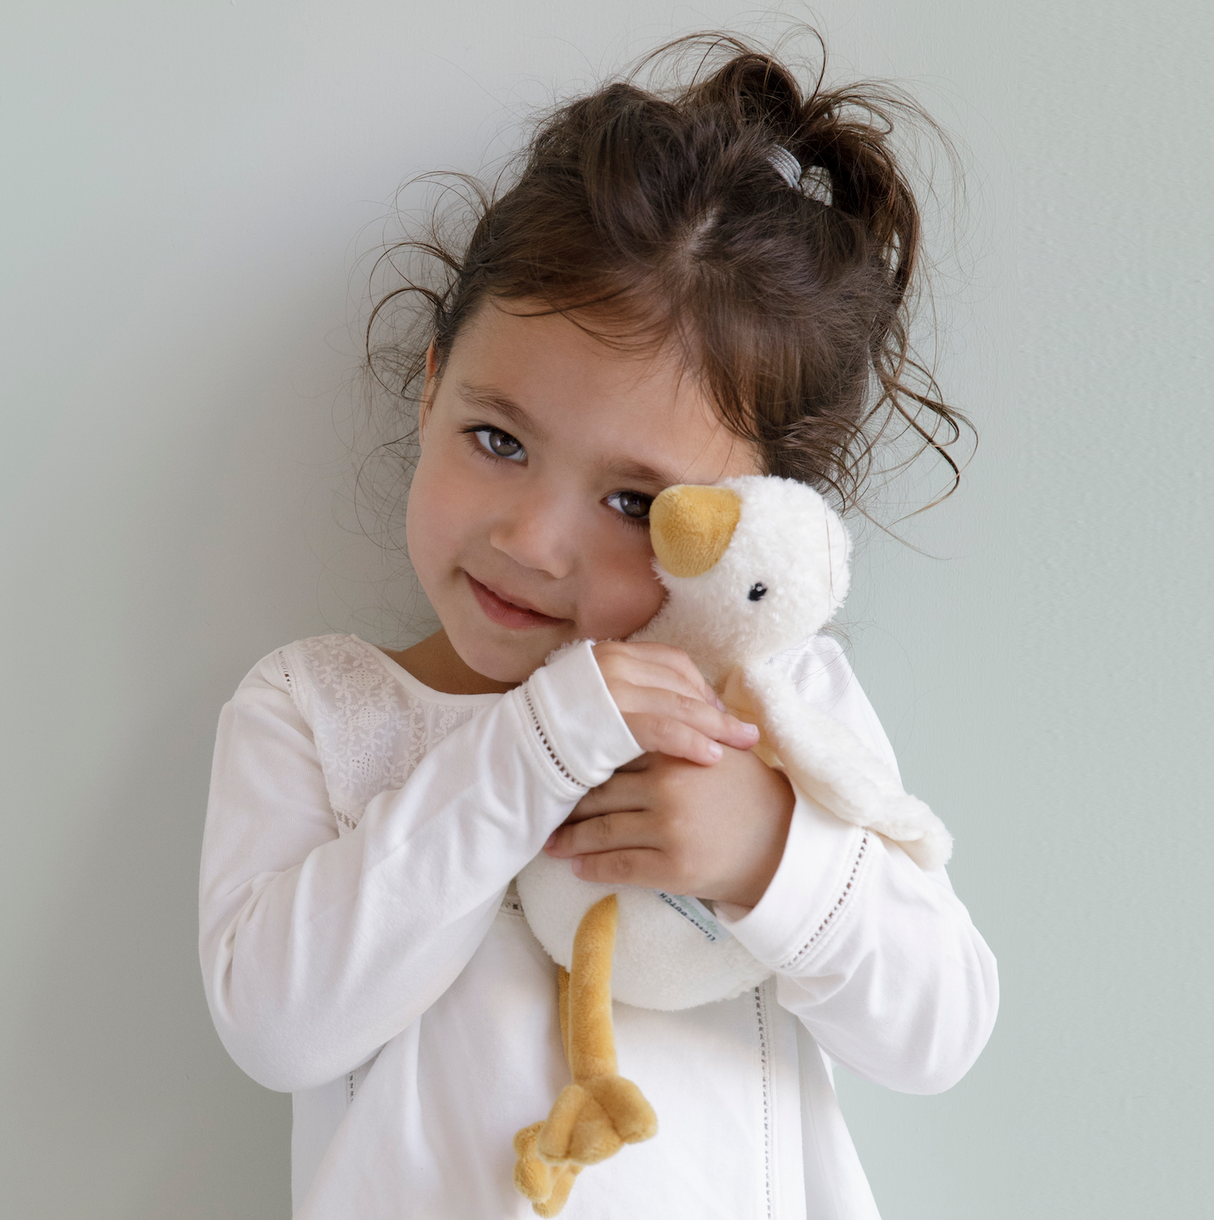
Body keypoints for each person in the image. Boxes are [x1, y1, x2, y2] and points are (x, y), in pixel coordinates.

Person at [200, 33, 998, 1220]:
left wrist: (768, 853)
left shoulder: (767, 710)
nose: (531, 540)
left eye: (632, 504)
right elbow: (278, 1025)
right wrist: (534, 748)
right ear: (429, 389)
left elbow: (941, 1028)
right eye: (496, 439)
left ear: (746, 521)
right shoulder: (319, 709)